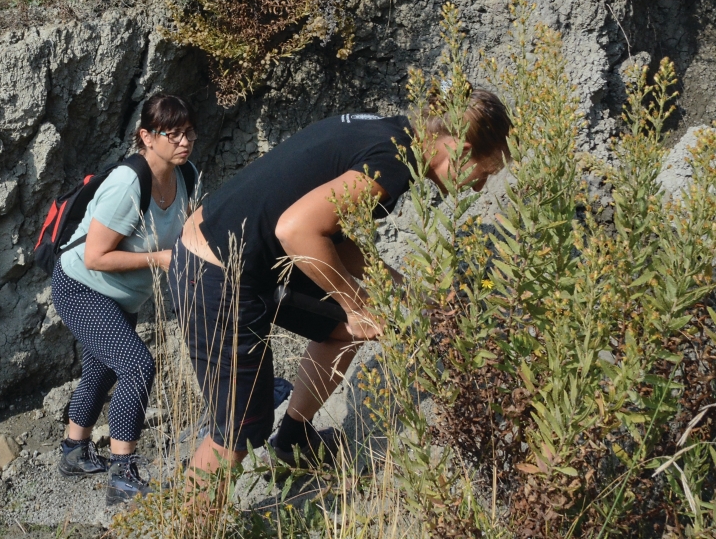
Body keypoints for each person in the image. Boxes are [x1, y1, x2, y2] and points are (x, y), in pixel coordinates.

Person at [170, 92, 512, 481]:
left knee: (341, 330)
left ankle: (293, 441)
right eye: (484, 173)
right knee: (238, 432)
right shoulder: (393, 163)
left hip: (247, 259)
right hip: (216, 271)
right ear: (463, 150)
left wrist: (394, 285)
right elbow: (297, 230)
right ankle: (190, 521)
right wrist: (355, 303)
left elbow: (331, 230)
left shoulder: (390, 134)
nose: (480, 188)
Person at [51, 94, 200, 505]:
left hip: (123, 297)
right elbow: (95, 256)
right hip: (81, 286)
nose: (184, 141)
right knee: (136, 364)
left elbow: (188, 232)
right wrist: (160, 259)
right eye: (173, 134)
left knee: (101, 370)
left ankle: (73, 452)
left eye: (189, 132)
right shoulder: (127, 184)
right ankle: (123, 474)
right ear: (147, 137)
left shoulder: (187, 177)